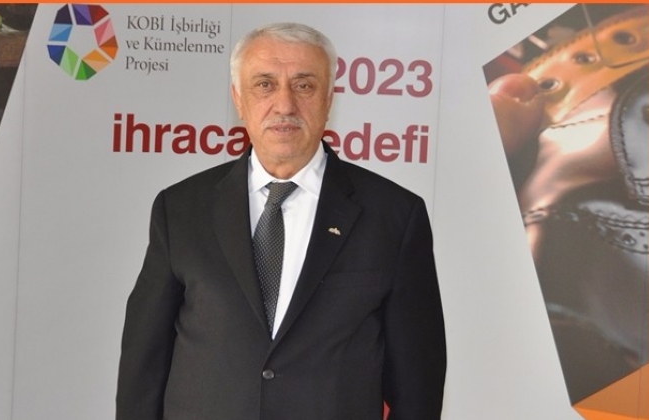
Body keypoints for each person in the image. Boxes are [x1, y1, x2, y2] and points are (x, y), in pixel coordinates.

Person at [117, 22, 446, 420]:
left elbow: (418, 386)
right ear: (239, 99)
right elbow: (142, 369)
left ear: (329, 98)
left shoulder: (395, 216)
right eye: (265, 85)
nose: (285, 105)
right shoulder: (181, 209)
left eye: (304, 85)